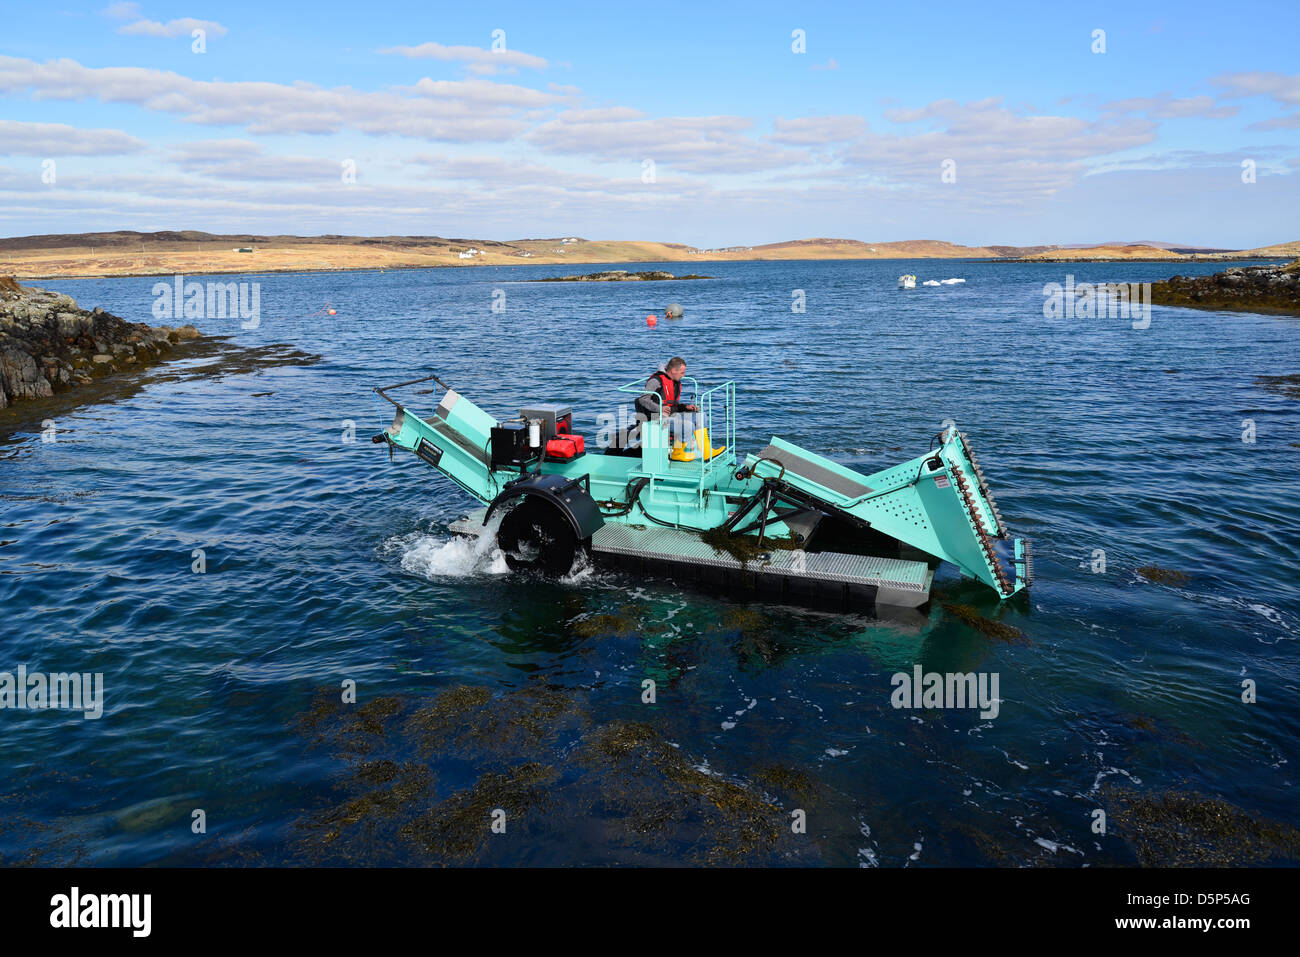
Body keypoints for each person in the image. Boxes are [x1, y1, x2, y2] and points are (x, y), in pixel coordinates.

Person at [634, 357, 725, 462]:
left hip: (671, 415)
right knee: (687, 425)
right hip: (656, 418)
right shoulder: (656, 381)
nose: (683, 375)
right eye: (682, 373)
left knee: (700, 416)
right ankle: (677, 453)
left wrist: (685, 407)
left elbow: (673, 404)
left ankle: (706, 451)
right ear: (673, 371)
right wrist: (660, 408)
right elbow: (643, 399)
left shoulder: (674, 381)